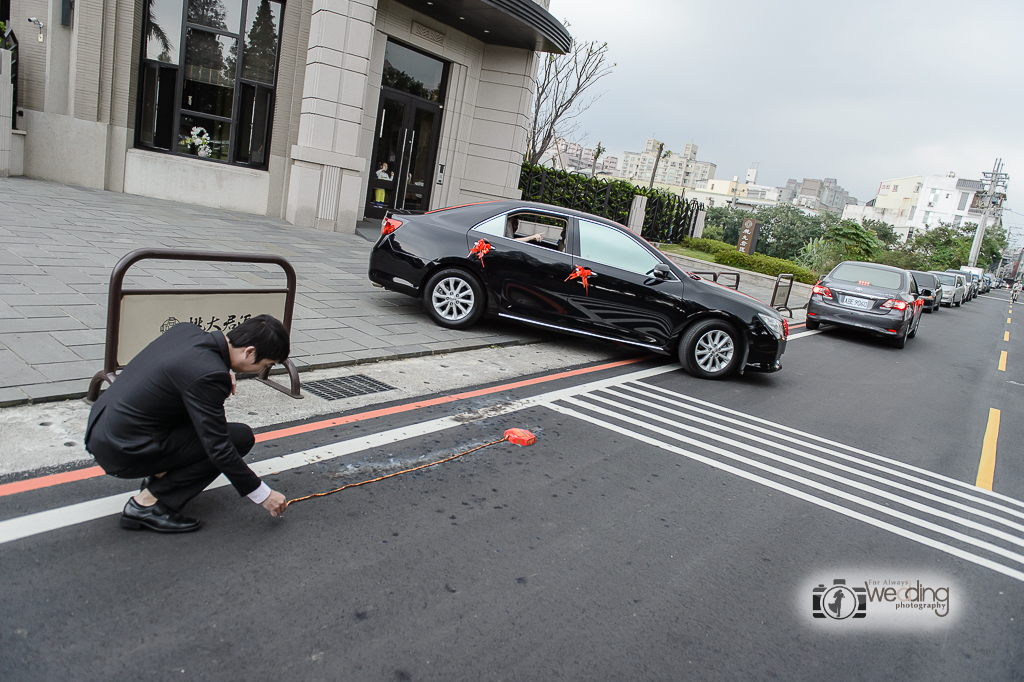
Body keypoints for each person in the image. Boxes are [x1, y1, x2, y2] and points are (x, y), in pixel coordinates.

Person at [85, 315, 291, 533]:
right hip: (123, 451)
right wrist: (263, 494)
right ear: (249, 352)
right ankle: (146, 503)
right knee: (239, 439)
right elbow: (219, 448)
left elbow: (182, 373)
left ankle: (159, 475)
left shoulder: (186, 332)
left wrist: (223, 369)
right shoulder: (209, 374)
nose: (260, 371)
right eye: (264, 365)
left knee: (203, 426)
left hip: (103, 430)